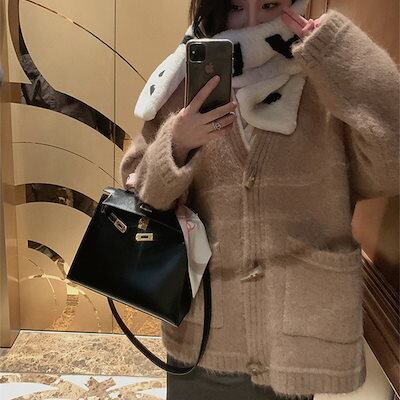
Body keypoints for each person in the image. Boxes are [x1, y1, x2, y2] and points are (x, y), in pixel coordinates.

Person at [120, 0, 399, 399]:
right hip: (206, 329)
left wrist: (341, 51)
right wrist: (176, 143)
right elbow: (140, 192)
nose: (251, 22)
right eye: (236, 7)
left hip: (295, 336)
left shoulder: (324, 81)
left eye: (268, 4)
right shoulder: (183, 86)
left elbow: (391, 163)